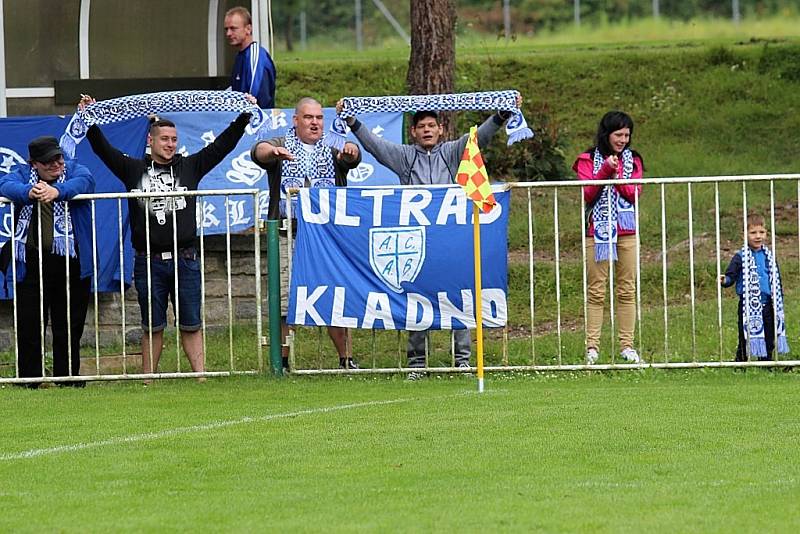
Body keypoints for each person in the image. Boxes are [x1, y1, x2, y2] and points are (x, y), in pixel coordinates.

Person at [336, 97, 521, 375]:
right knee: (416, 300)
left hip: (450, 242)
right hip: (417, 241)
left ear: (441, 129)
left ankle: (462, 361)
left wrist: (502, 114)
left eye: (431, 125)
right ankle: (417, 364)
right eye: (421, 126)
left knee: (458, 297)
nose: (426, 130)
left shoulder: (452, 151)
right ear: (413, 132)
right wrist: (351, 121)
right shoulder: (404, 157)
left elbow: (479, 138)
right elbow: (375, 147)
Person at [79, 94, 252, 379]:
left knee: (191, 321)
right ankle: (148, 378)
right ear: (151, 140)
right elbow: (102, 149)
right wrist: (89, 119)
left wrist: (243, 117)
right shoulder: (132, 169)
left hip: (185, 258)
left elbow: (222, 146)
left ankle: (200, 376)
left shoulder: (190, 167)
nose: (170, 144)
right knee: (152, 324)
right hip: (148, 260)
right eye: (165, 139)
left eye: (174, 139)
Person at [251, 97, 361, 370]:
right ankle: (282, 362)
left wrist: (351, 151)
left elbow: (353, 155)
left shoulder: (332, 145)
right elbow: (259, 151)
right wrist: (271, 153)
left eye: (319, 118)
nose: (314, 122)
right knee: (287, 300)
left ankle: (346, 360)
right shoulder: (281, 142)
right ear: (295, 120)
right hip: (290, 232)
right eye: (309, 117)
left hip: (327, 236)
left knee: (335, 295)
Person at [0, 136, 95, 388]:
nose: (56, 164)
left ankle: (67, 378)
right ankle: (29, 379)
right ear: (34, 164)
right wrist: (29, 192)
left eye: (58, 158)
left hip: (71, 260)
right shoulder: (21, 173)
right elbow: (5, 185)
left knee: (69, 324)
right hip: (29, 261)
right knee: (29, 324)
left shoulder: (75, 169)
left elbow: (85, 182)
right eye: (48, 161)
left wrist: (57, 191)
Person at [575, 110, 644, 365]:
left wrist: (617, 176)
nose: (623, 140)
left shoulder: (633, 160)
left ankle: (627, 346)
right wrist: (605, 170)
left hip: (627, 232)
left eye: (627, 135)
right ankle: (592, 347)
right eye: (618, 134)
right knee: (596, 291)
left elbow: (635, 192)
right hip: (597, 231)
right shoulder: (587, 159)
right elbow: (588, 193)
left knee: (627, 289)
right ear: (607, 134)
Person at [720, 213, 789, 361]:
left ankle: (766, 364)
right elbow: (731, 276)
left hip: (769, 304)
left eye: (761, 232)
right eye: (753, 232)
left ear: (766, 233)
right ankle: (740, 363)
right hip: (748, 304)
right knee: (745, 336)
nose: (758, 236)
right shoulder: (740, 257)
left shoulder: (769, 256)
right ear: (744, 235)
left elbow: (777, 279)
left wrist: (779, 299)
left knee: (769, 337)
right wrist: (724, 280)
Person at [224, 6, 276, 109]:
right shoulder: (240, 56)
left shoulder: (255, 57)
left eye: (233, 28)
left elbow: (254, 99)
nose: (228, 33)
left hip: (257, 121)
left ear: (248, 29)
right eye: (226, 29)